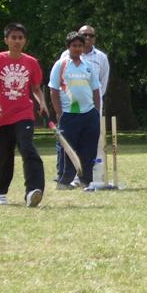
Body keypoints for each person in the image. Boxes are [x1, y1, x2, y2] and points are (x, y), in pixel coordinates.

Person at [0, 23, 49, 207]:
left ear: (25, 40)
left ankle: (33, 191)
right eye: (13, 37)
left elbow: (36, 88)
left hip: (24, 114)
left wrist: (41, 102)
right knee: (3, 155)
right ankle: (0, 192)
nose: (17, 41)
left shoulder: (31, 62)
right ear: (6, 40)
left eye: (20, 37)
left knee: (27, 147)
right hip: (0, 116)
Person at [49, 31, 102, 189]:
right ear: (68, 47)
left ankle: (87, 181)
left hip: (89, 113)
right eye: (74, 46)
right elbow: (53, 90)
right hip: (69, 114)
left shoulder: (88, 66)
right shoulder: (61, 64)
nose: (77, 48)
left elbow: (96, 90)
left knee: (89, 149)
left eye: (80, 45)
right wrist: (59, 112)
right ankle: (64, 181)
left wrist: (97, 112)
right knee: (68, 149)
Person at [58, 24, 110, 185]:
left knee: (92, 142)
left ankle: (90, 177)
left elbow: (102, 83)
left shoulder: (101, 57)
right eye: (84, 35)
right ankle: (71, 177)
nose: (87, 38)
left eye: (90, 35)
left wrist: (95, 106)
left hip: (91, 108)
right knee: (71, 141)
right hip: (71, 107)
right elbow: (60, 82)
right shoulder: (65, 56)